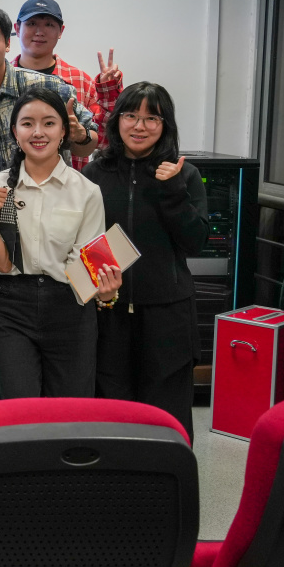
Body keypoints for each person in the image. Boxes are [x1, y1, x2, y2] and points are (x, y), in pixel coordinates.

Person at [0, 87, 122, 400]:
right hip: (11, 308)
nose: (38, 132)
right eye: (27, 123)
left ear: (64, 131)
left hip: (71, 306)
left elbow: (85, 269)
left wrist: (106, 293)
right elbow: (2, 265)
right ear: (15, 131)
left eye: (49, 123)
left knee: (70, 409)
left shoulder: (87, 191)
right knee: (19, 408)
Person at [83, 83, 207, 440]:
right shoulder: (94, 174)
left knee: (166, 415)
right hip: (109, 312)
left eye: (152, 118)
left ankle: (169, 475)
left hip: (168, 315)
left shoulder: (184, 174)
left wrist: (172, 191)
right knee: (112, 413)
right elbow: (83, 241)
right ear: (117, 121)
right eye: (130, 116)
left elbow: (195, 242)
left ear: (165, 125)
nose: (139, 126)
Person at [0, 4, 98, 181]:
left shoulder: (48, 86)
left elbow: (89, 144)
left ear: (8, 43)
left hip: (51, 196)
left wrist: (81, 137)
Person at [12, 0, 123, 170]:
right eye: (32, 23)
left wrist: (108, 92)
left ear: (61, 31)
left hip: (67, 183)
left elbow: (105, 140)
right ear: (17, 28)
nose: (39, 32)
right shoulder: (0, 79)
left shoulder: (81, 81)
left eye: (49, 25)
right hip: (10, 182)